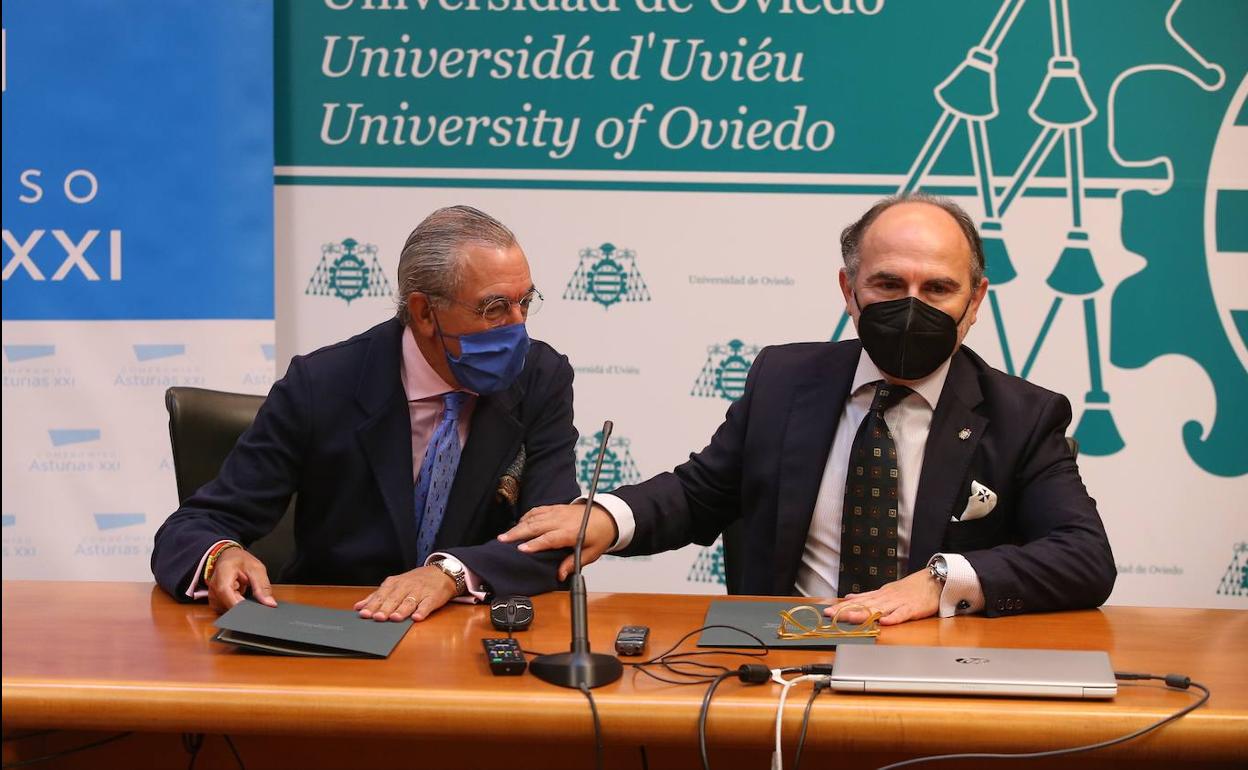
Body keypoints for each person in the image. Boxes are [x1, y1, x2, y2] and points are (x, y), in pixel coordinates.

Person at [501, 194, 1116, 625]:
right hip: (782, 658)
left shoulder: (1023, 416)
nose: (911, 306)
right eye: (887, 285)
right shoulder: (784, 380)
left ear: (975, 300)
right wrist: (607, 518)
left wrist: (938, 583)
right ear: (849, 291)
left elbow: (1084, 557)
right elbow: (699, 493)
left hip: (938, 663)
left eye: (937, 289)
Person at [153, 205, 580, 622]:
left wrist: (451, 573)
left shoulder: (540, 379)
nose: (519, 325)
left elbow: (554, 533)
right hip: (342, 629)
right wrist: (220, 557)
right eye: (495, 308)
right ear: (424, 312)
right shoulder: (321, 385)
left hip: (471, 631)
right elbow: (196, 523)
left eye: (525, 302)